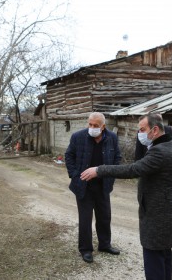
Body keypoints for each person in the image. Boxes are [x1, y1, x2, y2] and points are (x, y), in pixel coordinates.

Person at [81, 113, 172, 280]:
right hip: (165, 214)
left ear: (155, 130)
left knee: (154, 262)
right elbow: (163, 134)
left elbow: (132, 169)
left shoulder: (160, 152)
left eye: (142, 130)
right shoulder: (170, 145)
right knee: (163, 257)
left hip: (158, 216)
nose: (139, 134)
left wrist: (98, 170)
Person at [65, 112, 122, 263]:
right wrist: (75, 175)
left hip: (103, 185)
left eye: (95, 126)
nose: (92, 128)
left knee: (104, 216)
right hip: (83, 186)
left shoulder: (112, 138)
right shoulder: (78, 137)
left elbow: (117, 158)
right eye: (90, 124)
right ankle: (86, 249)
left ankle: (104, 244)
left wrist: (111, 175)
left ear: (103, 126)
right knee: (85, 219)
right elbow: (69, 156)